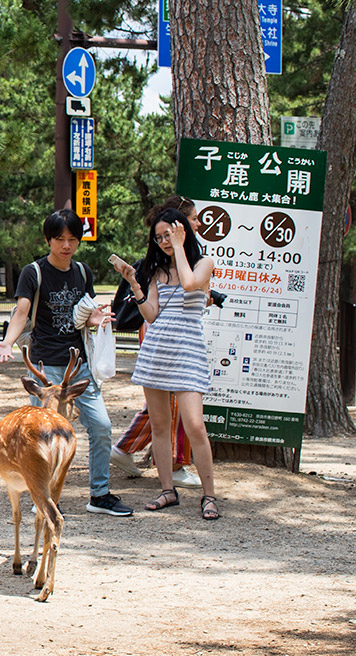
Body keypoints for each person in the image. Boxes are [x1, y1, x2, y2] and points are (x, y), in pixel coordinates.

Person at [0, 209, 132, 517]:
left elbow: (87, 310)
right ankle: (41, 496)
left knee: (102, 426)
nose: (66, 245)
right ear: (48, 240)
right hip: (45, 369)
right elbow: (22, 312)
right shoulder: (34, 272)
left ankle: (99, 494)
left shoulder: (82, 271)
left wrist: (94, 319)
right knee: (42, 435)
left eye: (72, 239)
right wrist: (8, 341)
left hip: (76, 367)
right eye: (59, 239)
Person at [113, 208, 220, 520]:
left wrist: (180, 248)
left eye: (168, 235)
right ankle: (167, 490)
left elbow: (189, 285)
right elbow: (152, 315)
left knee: (195, 425)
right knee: (160, 426)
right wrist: (135, 285)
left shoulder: (203, 264)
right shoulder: (158, 272)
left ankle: (209, 495)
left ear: (183, 231)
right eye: (158, 237)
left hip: (188, 352)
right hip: (157, 351)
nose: (163, 242)